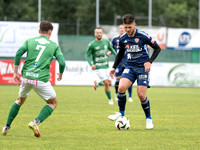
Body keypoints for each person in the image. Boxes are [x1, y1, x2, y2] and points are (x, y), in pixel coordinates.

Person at [2, 21, 66, 137]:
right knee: (53, 103)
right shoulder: (53, 45)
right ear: (50, 32)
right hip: (40, 79)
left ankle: (6, 126)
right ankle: (35, 122)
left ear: (39, 31)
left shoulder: (29, 41)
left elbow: (18, 53)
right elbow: (62, 62)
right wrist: (60, 73)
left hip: (26, 78)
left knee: (19, 101)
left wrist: (15, 73)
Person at [108, 14, 161, 129]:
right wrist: (114, 67)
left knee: (141, 95)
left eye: (129, 27)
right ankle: (121, 115)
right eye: (125, 27)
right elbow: (120, 54)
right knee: (121, 88)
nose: (127, 30)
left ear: (134, 25)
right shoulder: (123, 38)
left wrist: (150, 62)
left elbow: (158, 48)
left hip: (142, 68)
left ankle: (148, 119)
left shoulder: (143, 36)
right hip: (130, 67)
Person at [85, 27, 117, 105]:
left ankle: (97, 83)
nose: (99, 34)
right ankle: (110, 100)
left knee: (109, 83)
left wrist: (116, 55)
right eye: (97, 33)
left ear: (102, 33)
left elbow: (111, 49)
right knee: (106, 82)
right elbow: (87, 55)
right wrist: (91, 64)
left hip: (106, 66)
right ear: (94, 34)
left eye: (100, 32)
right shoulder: (92, 44)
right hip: (98, 67)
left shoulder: (106, 41)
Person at [112, 24, 133, 102]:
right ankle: (117, 94)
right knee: (117, 80)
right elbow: (112, 49)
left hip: (128, 62)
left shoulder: (129, 39)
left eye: (123, 28)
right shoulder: (115, 40)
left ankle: (130, 96)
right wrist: (109, 52)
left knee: (129, 80)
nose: (121, 29)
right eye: (120, 28)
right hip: (119, 63)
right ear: (118, 29)